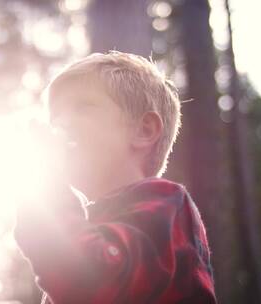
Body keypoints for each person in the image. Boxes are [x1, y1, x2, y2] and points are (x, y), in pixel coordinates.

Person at [13, 51, 218, 304]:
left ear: (144, 131)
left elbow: (97, 281)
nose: (59, 124)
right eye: (54, 116)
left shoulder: (167, 204)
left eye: (82, 107)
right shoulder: (87, 226)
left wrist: (48, 197)